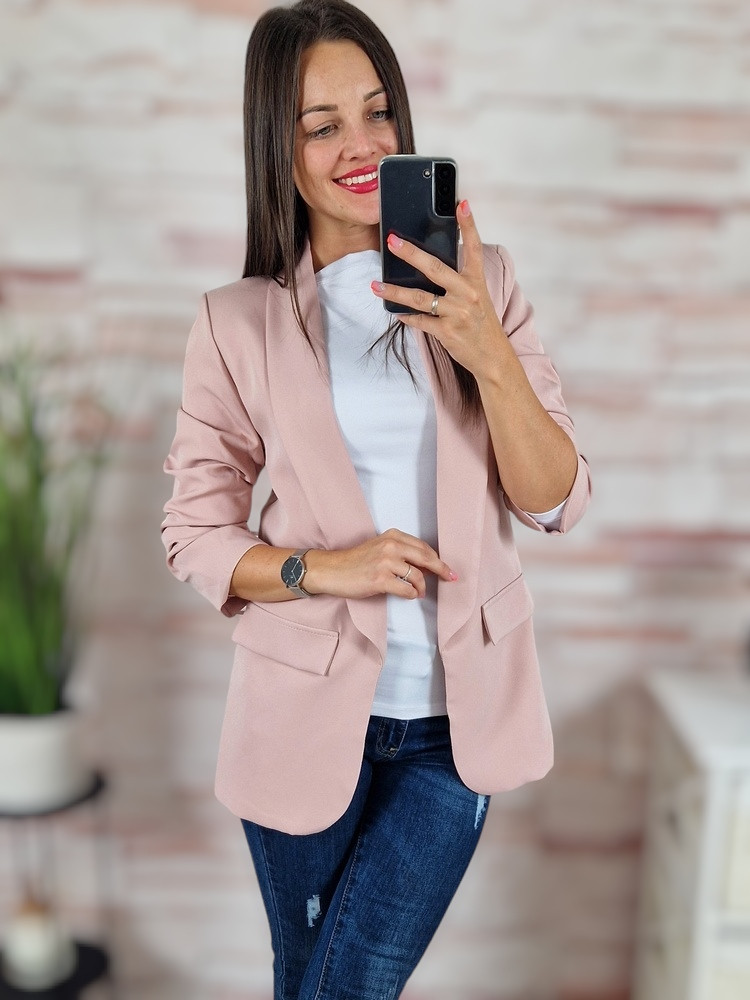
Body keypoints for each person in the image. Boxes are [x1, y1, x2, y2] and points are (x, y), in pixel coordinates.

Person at [161, 1, 591, 997]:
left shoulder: (485, 285)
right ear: (278, 148)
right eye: (322, 125)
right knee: (305, 978)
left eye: (377, 110)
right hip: (298, 719)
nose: (362, 144)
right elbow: (194, 531)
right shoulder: (237, 323)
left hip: (452, 727)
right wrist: (324, 568)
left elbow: (556, 498)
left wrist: (484, 343)